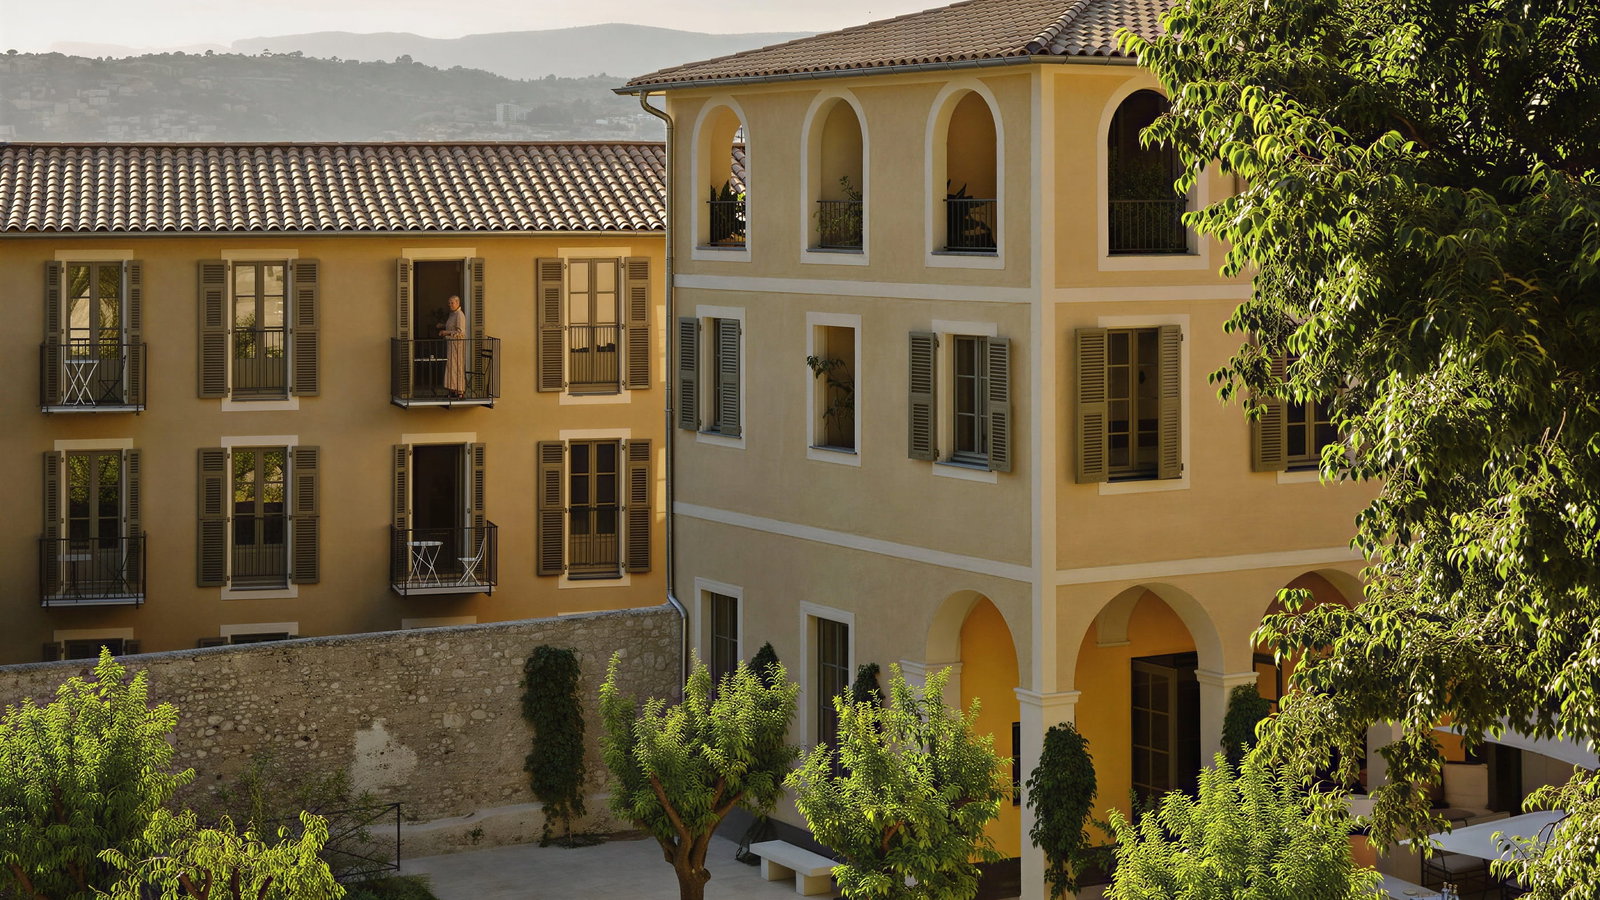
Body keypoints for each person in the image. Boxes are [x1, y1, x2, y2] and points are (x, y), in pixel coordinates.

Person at [437, 295, 467, 398]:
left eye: (452, 303)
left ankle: (460, 392)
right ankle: (452, 390)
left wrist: (446, 332)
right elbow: (452, 327)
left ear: (457, 303)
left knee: (457, 367)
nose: (450, 305)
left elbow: (461, 333)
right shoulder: (452, 315)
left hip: (457, 345)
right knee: (451, 367)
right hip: (451, 345)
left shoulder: (459, 315)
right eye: (449, 303)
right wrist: (443, 326)